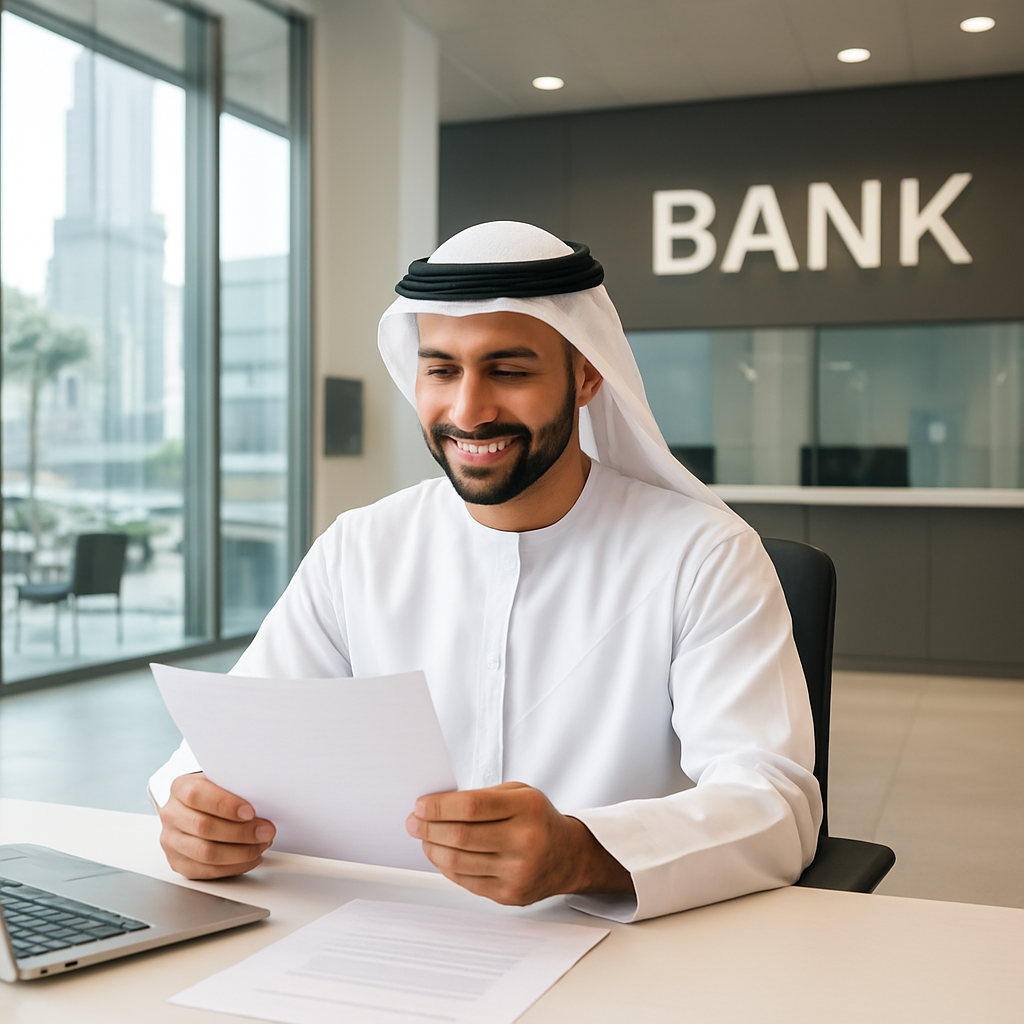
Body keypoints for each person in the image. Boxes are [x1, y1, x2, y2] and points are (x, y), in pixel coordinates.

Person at [150, 221, 822, 923]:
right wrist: (193, 808)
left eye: (509, 370)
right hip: (383, 941)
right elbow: (231, 737)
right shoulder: (361, 547)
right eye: (441, 370)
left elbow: (773, 803)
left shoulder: (703, 556)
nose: (468, 409)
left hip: (615, 954)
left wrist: (583, 852)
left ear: (587, 374)